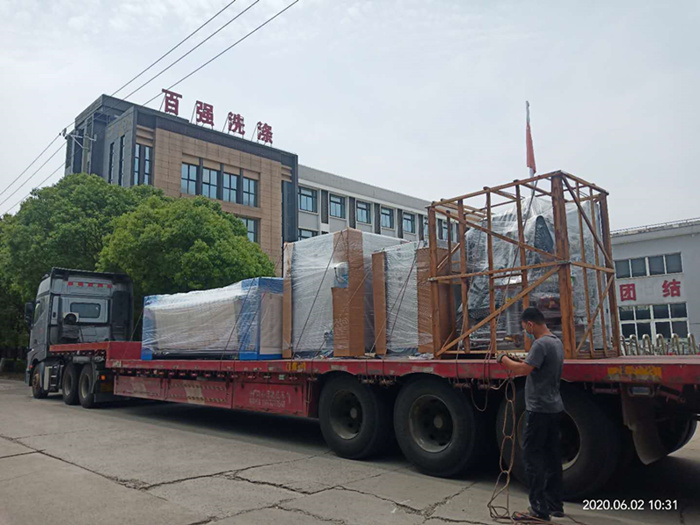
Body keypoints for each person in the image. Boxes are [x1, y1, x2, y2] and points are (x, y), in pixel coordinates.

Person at [497, 306, 565, 522]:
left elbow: (522, 370)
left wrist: (502, 359)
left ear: (530, 324)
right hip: (554, 407)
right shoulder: (556, 342)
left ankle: (538, 509)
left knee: (532, 458)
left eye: (524, 327)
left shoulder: (540, 344)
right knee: (552, 457)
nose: (525, 331)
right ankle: (554, 504)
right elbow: (534, 365)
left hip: (539, 410)